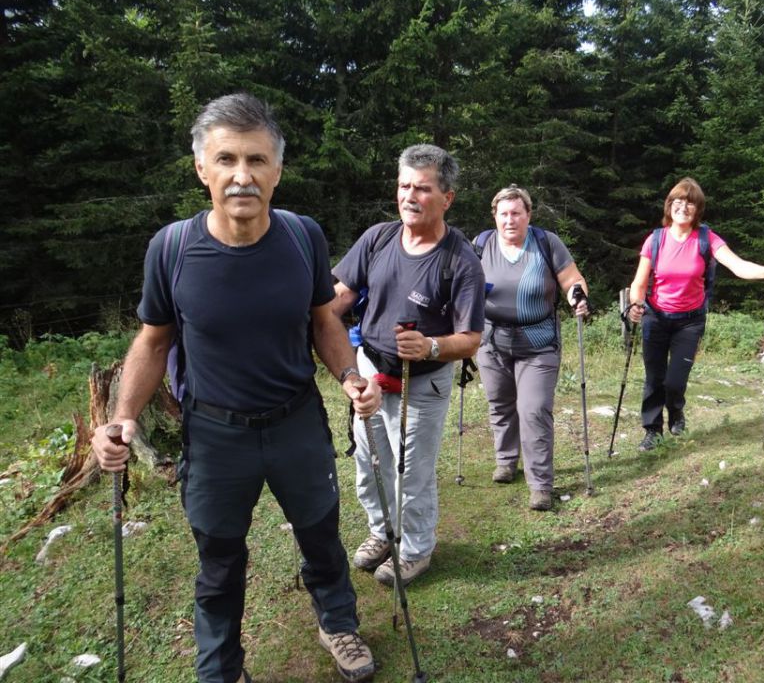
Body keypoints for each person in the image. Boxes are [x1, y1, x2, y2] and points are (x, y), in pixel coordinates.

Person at [91, 93, 381, 683]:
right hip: (216, 432)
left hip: (297, 422)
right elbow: (152, 342)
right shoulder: (171, 249)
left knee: (322, 535)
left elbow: (324, 321)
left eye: (256, 160)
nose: (242, 176)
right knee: (219, 560)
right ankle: (221, 666)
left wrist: (352, 376)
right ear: (203, 169)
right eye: (226, 160)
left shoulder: (303, 237)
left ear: (277, 170)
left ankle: (337, 623)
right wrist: (121, 418)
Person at [331, 144, 485, 586]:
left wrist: (432, 346)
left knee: (410, 472)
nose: (409, 196)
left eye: (421, 188)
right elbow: (340, 293)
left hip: (422, 383)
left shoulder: (461, 260)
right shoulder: (378, 237)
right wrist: (317, 312)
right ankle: (382, 532)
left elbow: (472, 338)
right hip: (368, 371)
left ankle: (416, 549)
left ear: (447, 197)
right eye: (403, 186)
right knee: (369, 461)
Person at [627, 177, 764, 450]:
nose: (684, 207)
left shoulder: (706, 239)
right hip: (655, 316)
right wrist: (635, 304)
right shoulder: (655, 240)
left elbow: (737, 266)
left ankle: (676, 411)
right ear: (670, 206)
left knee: (675, 380)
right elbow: (639, 284)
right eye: (678, 202)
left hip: (689, 321)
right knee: (654, 377)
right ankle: (652, 430)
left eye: (690, 203)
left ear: (698, 209)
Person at [472, 185, 589, 511]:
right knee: (500, 403)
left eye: (516, 213)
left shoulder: (545, 243)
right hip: (492, 341)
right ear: (495, 216)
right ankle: (506, 461)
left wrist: (578, 296)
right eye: (504, 213)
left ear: (528, 215)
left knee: (534, 409)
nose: (510, 220)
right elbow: (464, 286)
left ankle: (540, 484)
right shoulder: (481, 245)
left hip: (538, 344)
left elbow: (571, 279)